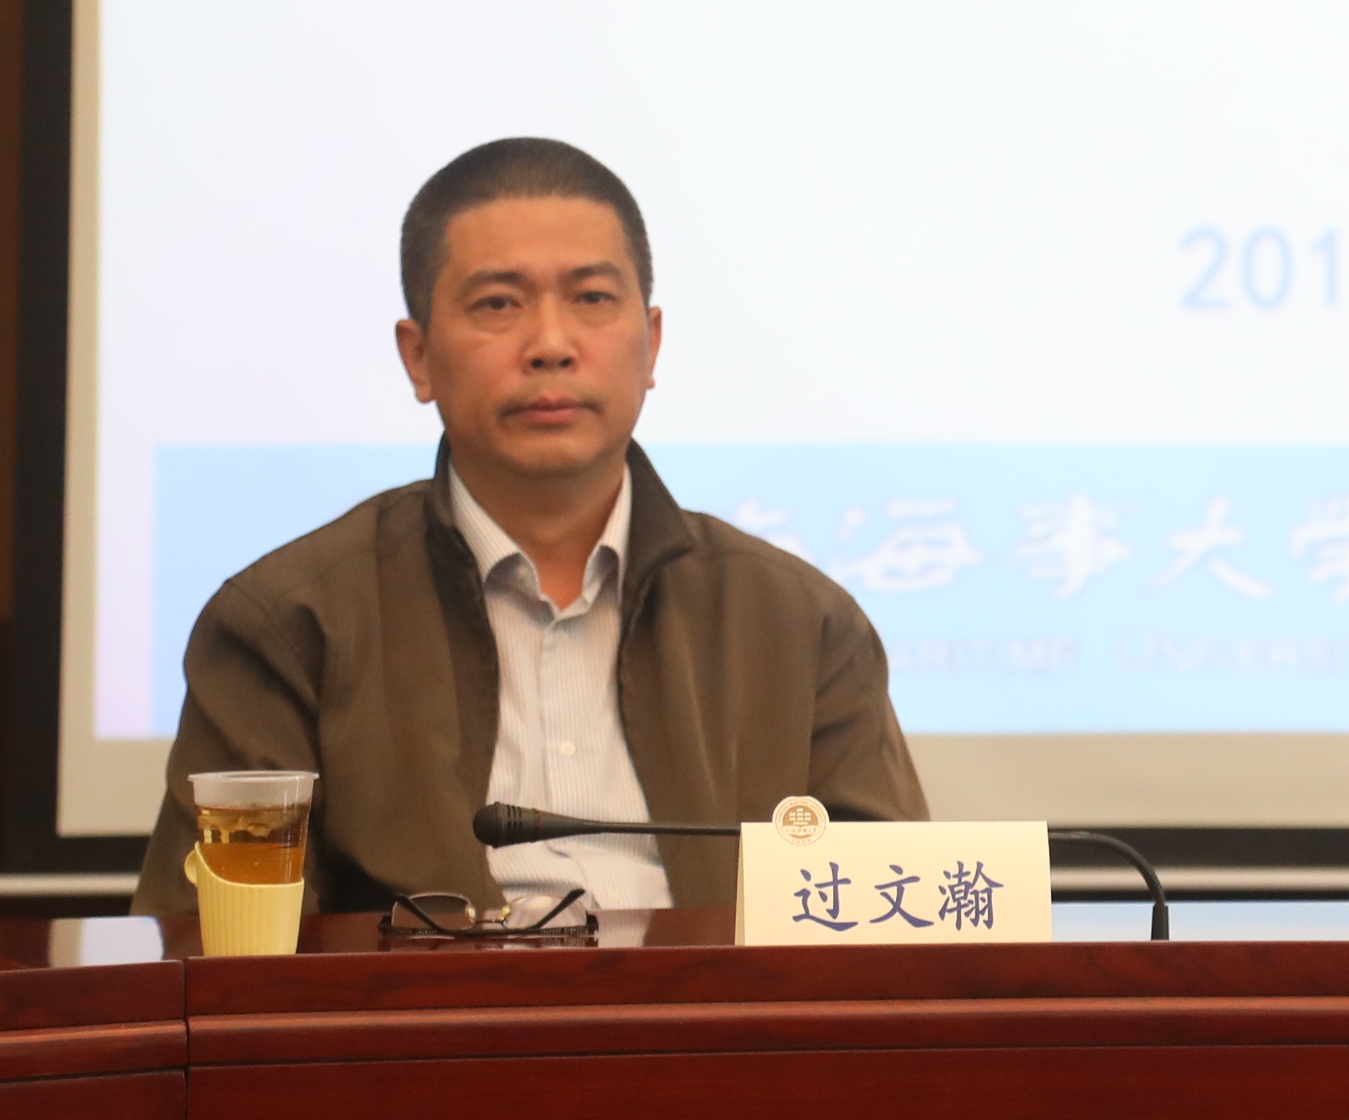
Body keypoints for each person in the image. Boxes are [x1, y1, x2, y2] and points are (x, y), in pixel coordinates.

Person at [135, 137, 925, 920]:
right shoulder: (290, 626)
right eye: (498, 305)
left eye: (592, 299)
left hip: (713, 1008)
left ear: (651, 344)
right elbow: (214, 952)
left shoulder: (799, 622)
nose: (551, 345)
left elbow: (899, 922)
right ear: (418, 357)